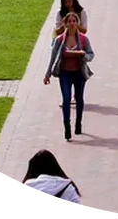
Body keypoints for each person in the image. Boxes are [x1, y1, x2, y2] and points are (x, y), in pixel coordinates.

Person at [44, 11, 95, 140]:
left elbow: (91, 54)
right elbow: (53, 57)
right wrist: (47, 74)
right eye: (69, 21)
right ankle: (67, 126)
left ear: (77, 23)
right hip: (65, 73)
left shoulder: (83, 39)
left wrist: (83, 55)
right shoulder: (59, 40)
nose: (72, 23)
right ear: (65, 24)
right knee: (66, 99)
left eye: (74, 21)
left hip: (79, 72)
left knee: (79, 98)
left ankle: (78, 122)